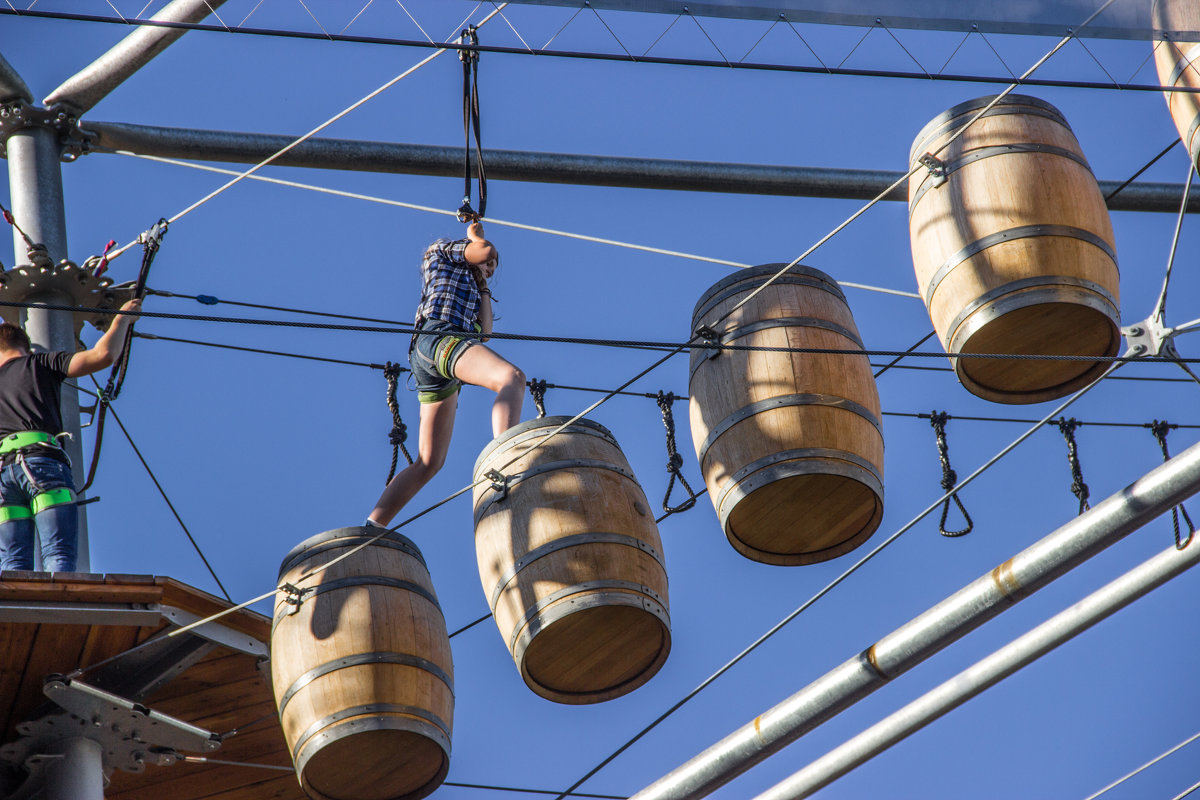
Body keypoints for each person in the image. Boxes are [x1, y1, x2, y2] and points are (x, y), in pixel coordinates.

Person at [367, 221, 525, 527]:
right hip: (438, 339)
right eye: (486, 265)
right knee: (512, 378)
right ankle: (506, 455)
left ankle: (372, 525)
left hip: (439, 361)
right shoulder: (442, 254)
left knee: (430, 461)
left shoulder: (474, 289)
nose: (488, 268)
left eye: (491, 269)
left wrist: (483, 285)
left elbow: (486, 333)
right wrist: (475, 236)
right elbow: (485, 249)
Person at [0, 298, 142, 572]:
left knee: (12, 565)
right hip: (42, 463)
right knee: (58, 555)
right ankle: (59, 612)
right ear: (25, 348)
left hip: (3, 474)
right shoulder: (42, 363)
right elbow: (103, 356)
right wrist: (122, 319)